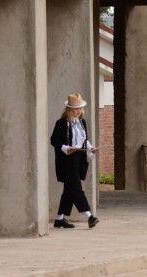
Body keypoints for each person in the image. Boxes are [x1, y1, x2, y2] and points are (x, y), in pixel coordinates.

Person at [51, 93, 99, 229]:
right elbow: (54, 140)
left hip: (78, 159)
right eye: (74, 109)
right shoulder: (61, 123)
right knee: (76, 188)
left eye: (79, 108)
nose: (78, 111)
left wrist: (91, 148)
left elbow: (84, 140)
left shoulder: (82, 123)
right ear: (69, 110)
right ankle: (90, 216)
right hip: (66, 160)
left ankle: (59, 219)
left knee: (69, 189)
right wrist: (66, 148)